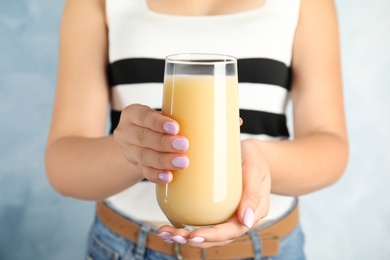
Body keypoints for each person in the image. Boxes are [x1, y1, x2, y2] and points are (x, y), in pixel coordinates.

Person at [45, 0, 349, 259]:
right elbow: (63, 164)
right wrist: (133, 152)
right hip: (123, 246)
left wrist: (257, 159)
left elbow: (330, 145)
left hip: (267, 248)